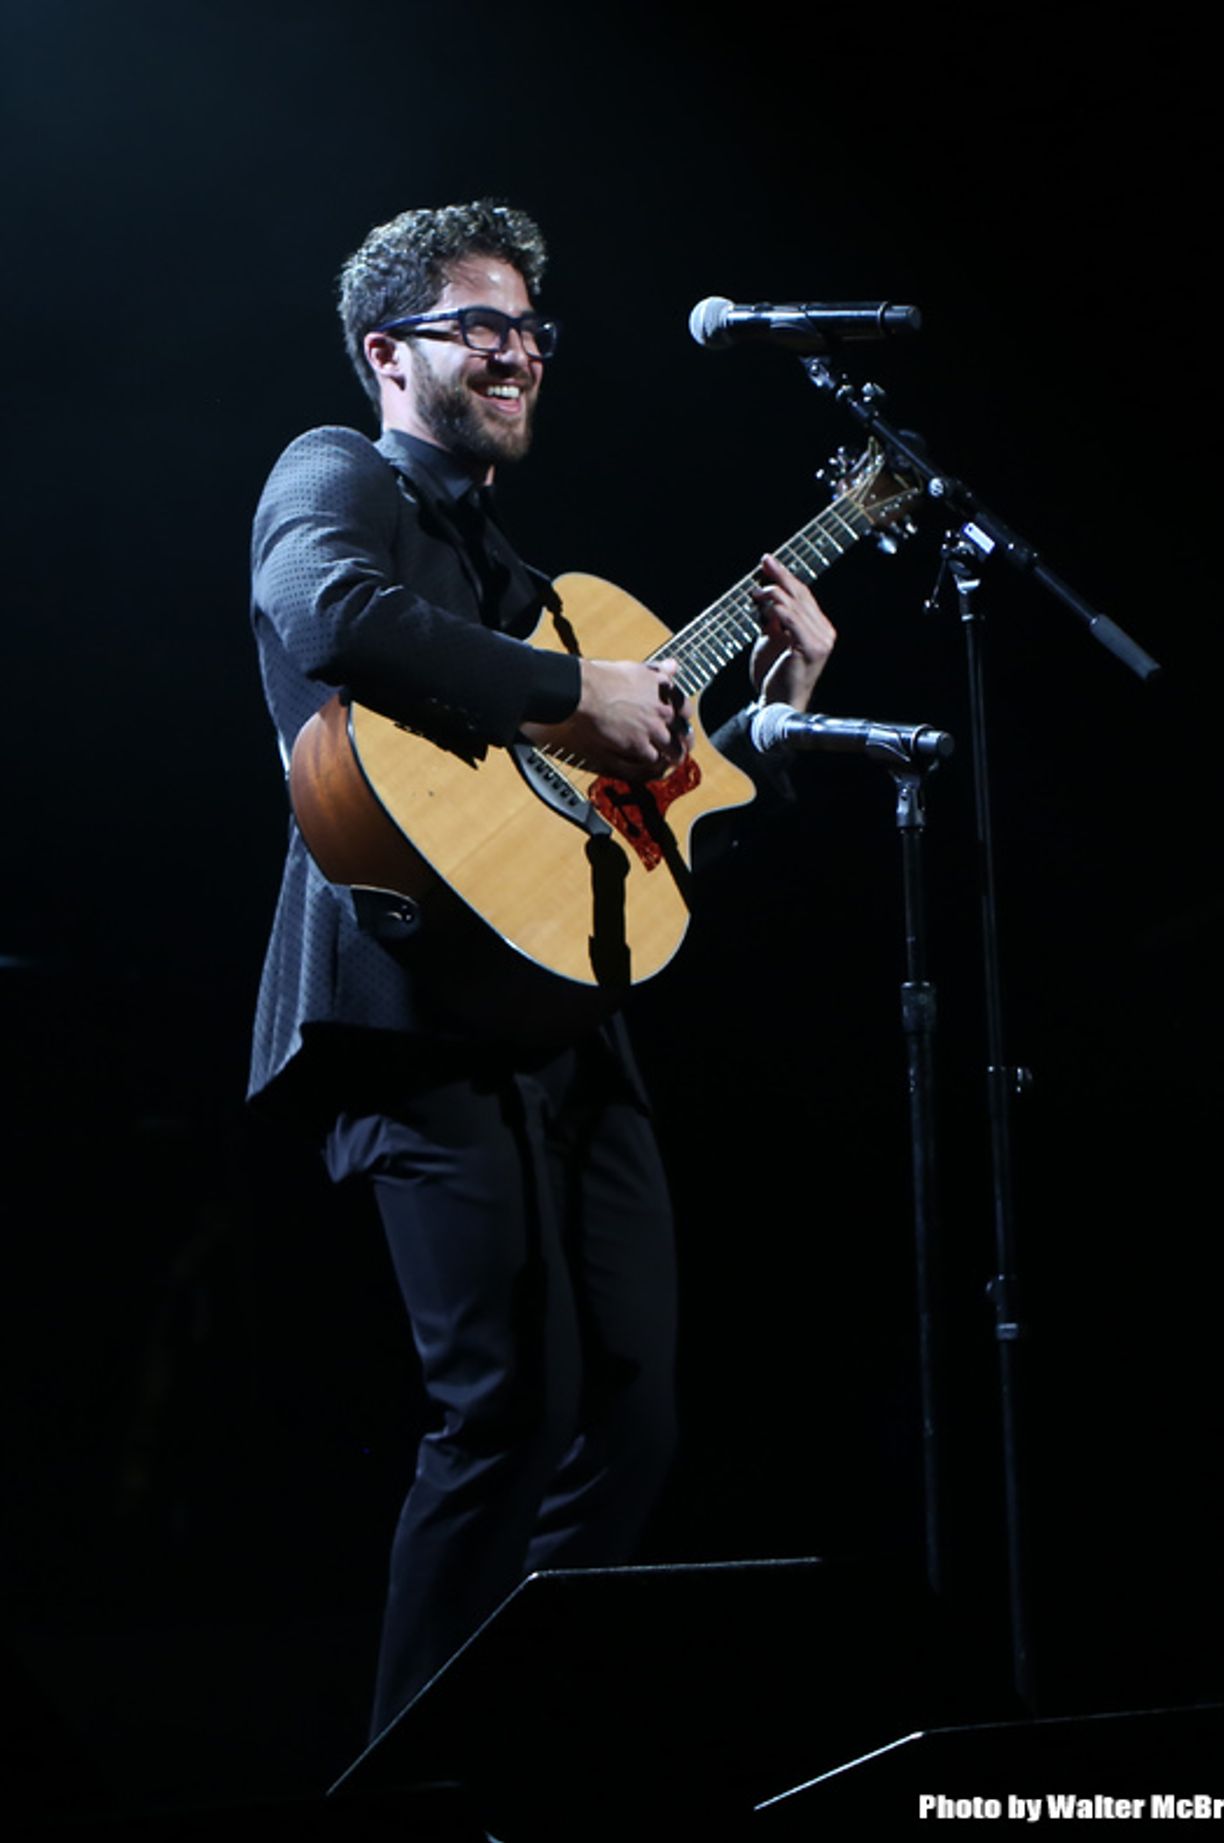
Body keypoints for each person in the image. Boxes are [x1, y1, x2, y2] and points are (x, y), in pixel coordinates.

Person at [247, 200, 834, 1736]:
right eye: (481, 326)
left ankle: (525, 1740)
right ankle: (414, 1787)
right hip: (408, 1011)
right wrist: (574, 691)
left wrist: (766, 723)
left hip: (561, 1013)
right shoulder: (336, 472)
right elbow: (325, 612)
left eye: (531, 331)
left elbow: (628, 840)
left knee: (632, 1414)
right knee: (509, 1408)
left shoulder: (523, 573)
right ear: (387, 352)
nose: (519, 354)